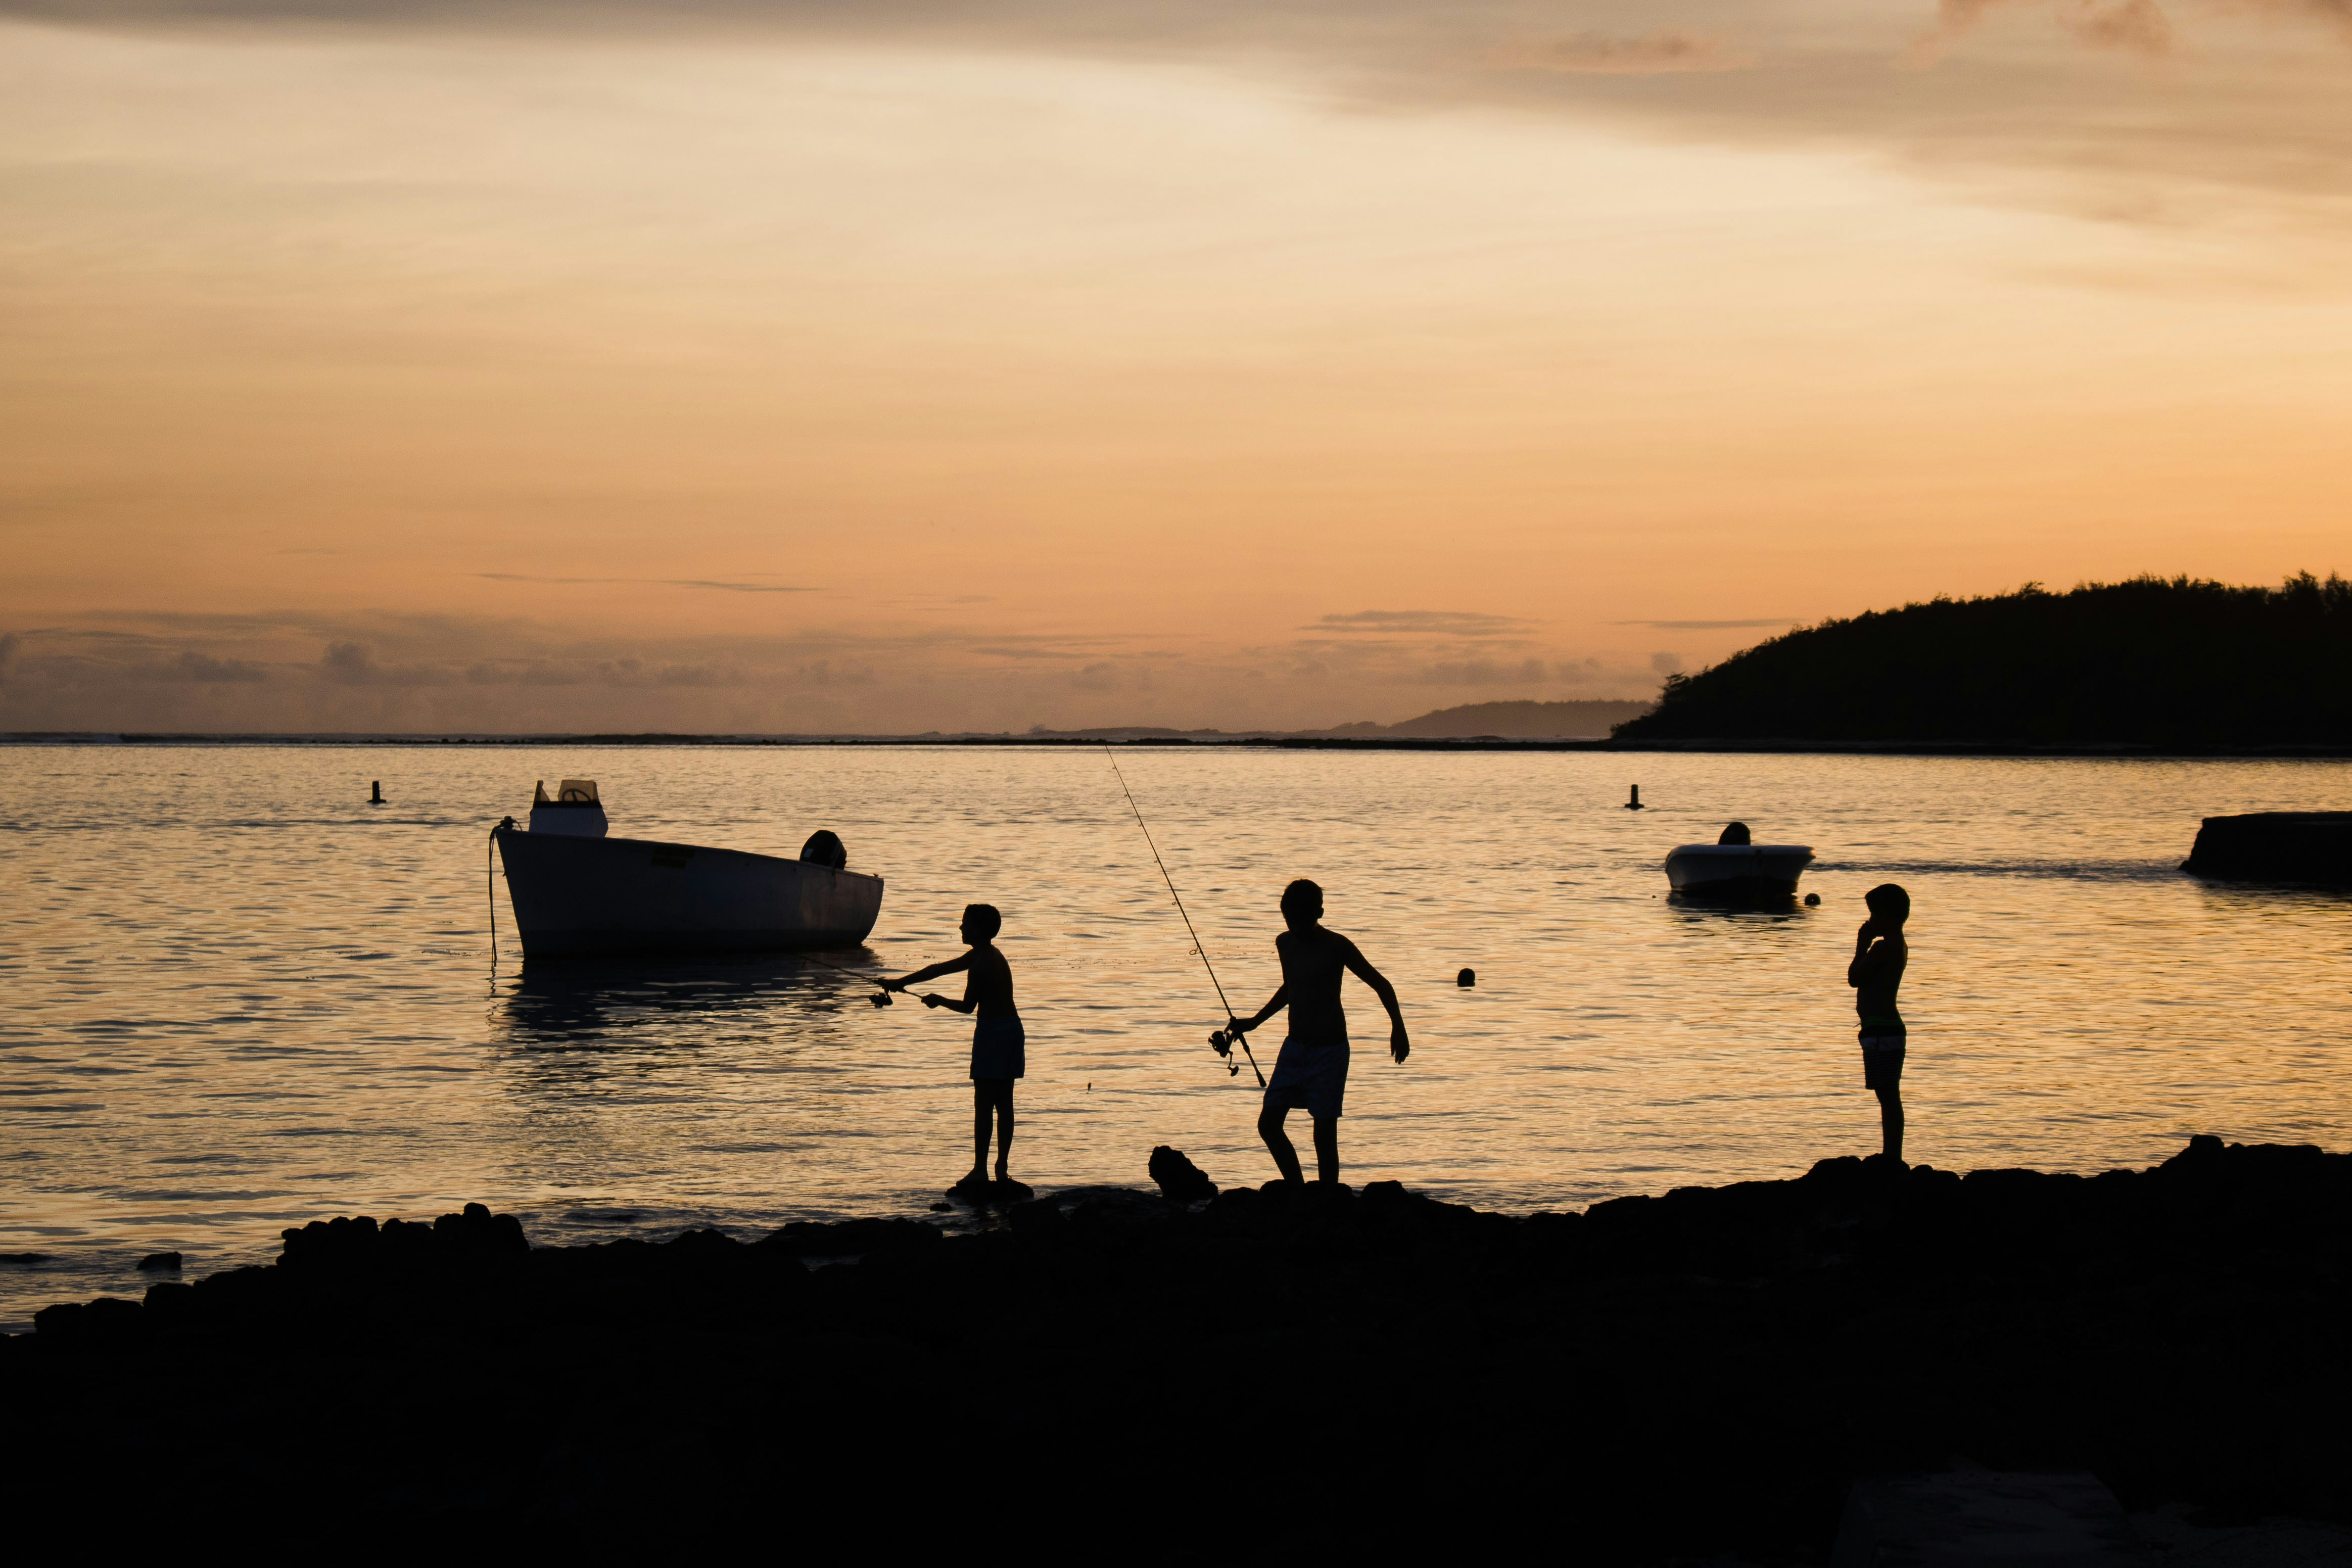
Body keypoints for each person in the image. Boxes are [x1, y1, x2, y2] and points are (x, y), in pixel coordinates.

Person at [1225, 879, 1409, 1187]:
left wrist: (1398, 1028)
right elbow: (1292, 988)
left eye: (1303, 921)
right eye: (1290, 921)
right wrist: (1255, 1021)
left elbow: (1382, 984)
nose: (1296, 928)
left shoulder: (1338, 946)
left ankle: (1328, 1197)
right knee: (1269, 1125)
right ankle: (1297, 1189)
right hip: (1294, 1047)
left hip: (1330, 1050)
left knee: (1324, 1133)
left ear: (1320, 913)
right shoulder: (1284, 943)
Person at [885, 904, 1022, 1193]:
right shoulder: (986, 954)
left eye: (966, 923)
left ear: (980, 929)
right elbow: (938, 969)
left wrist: (938, 1001)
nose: (961, 928)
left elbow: (967, 1007)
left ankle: (980, 1171)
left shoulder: (981, 964)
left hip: (993, 1034)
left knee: (985, 1104)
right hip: (1011, 1030)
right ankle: (1000, 1170)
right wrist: (899, 982)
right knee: (1004, 1104)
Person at [1847, 883, 1910, 1164]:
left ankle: (1892, 1157)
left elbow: (1854, 978)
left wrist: (1861, 945)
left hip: (1883, 1029)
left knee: (1888, 1095)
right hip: (1880, 1028)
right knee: (1887, 1094)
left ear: (1888, 916)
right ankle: (1891, 1155)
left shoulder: (1884, 948)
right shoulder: (1896, 945)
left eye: (1874, 914)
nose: (1870, 920)